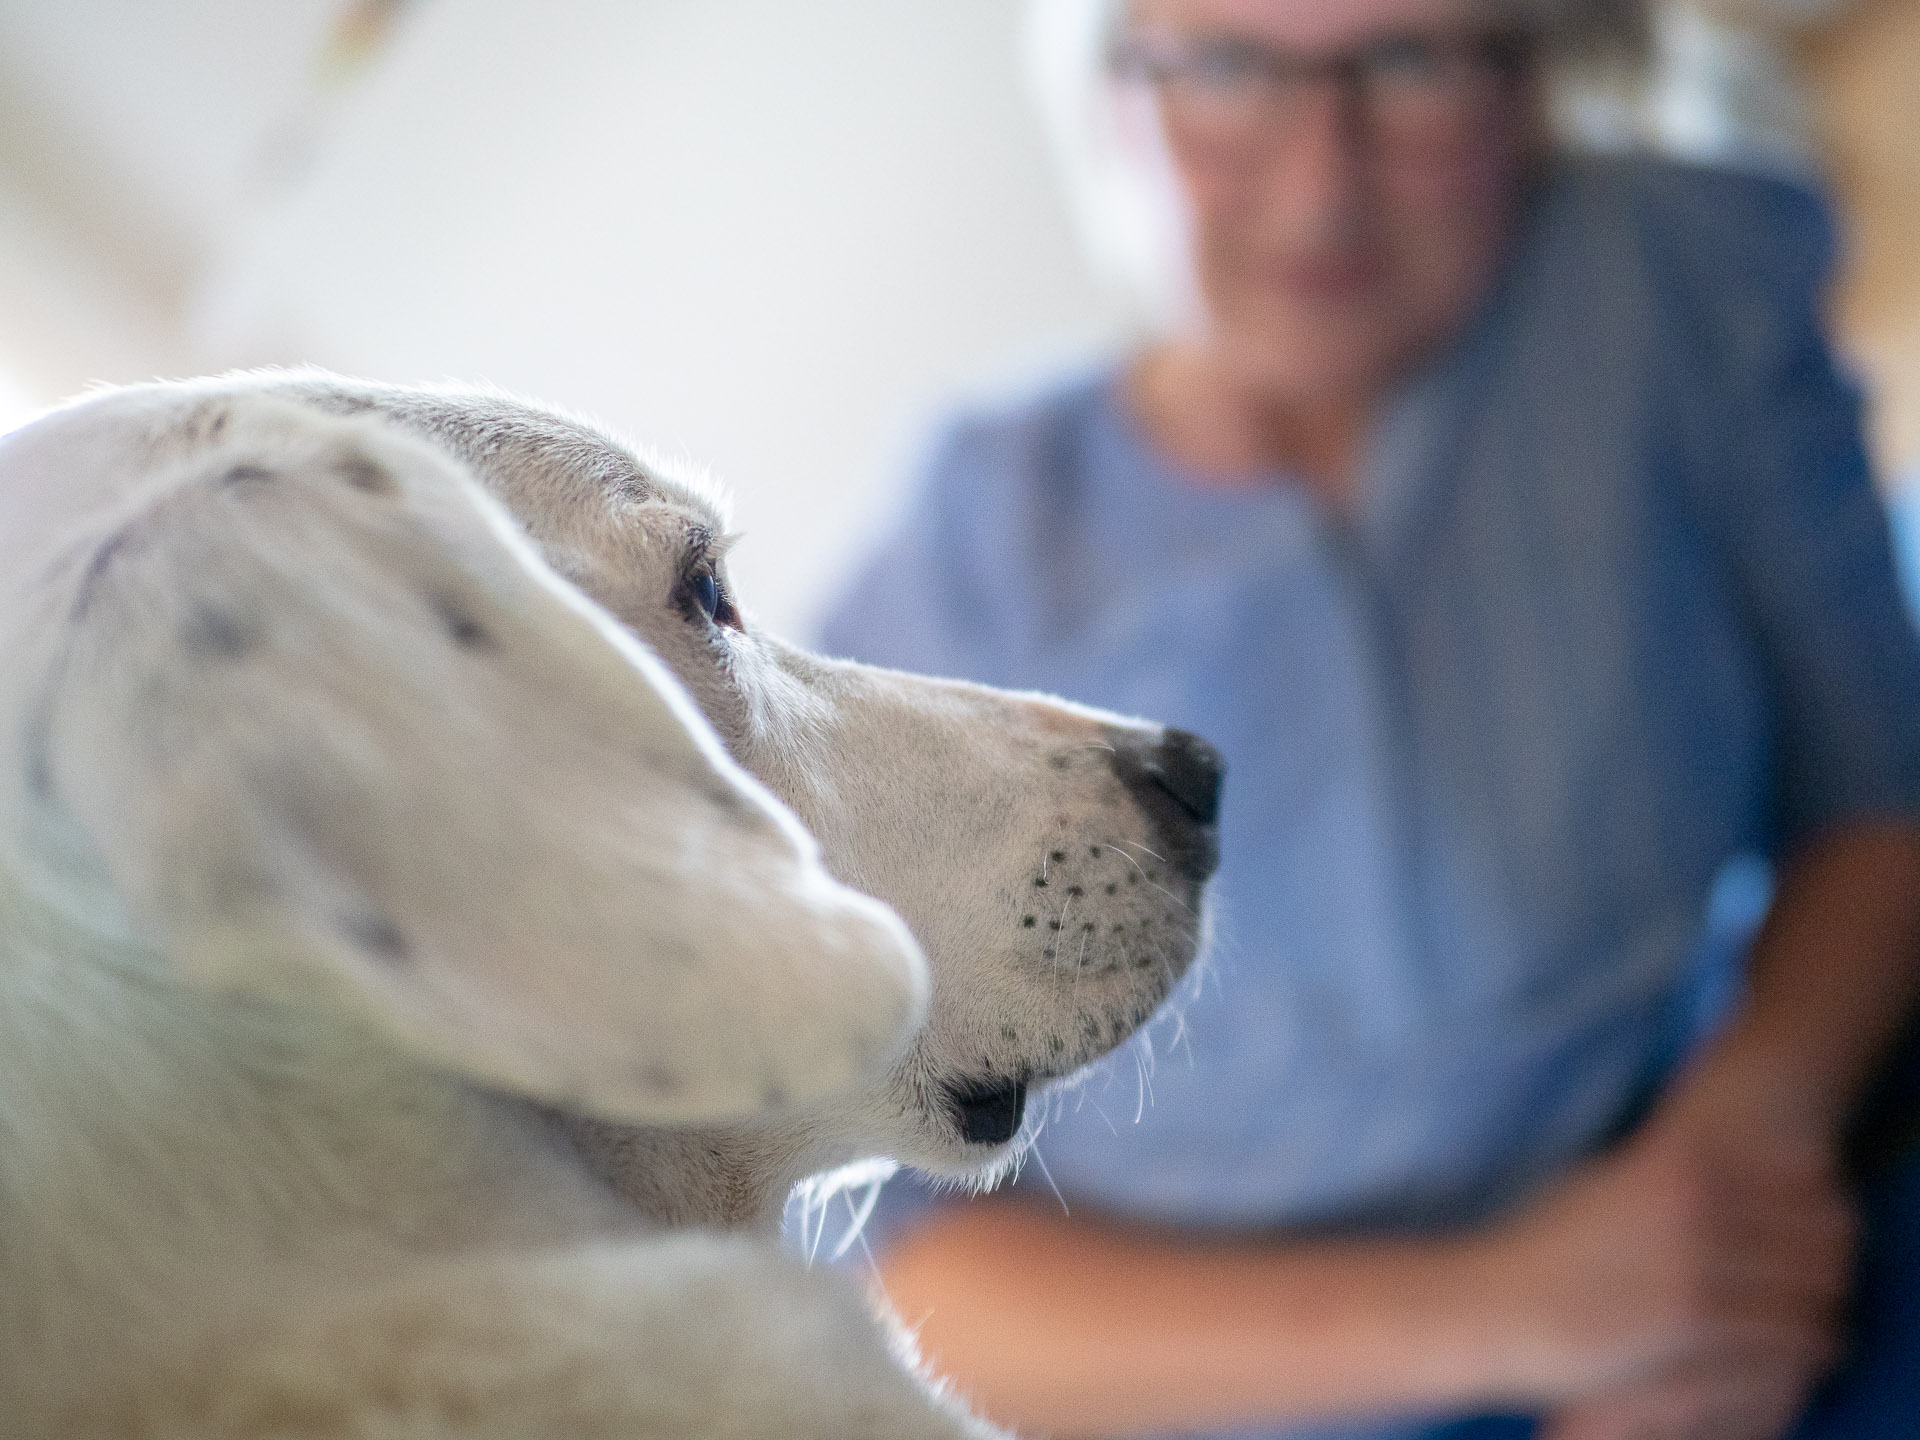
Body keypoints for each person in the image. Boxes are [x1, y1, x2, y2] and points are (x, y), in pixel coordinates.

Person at [814, 0, 1920, 1437]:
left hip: (1695, 1191)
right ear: (1107, 98)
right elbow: (880, 1264)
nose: (1321, 181)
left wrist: (1720, 1222)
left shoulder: (1667, 282)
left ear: (1534, 78)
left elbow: (1879, 805)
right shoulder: (957, 569)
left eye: (1415, 64)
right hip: (1239, 1386)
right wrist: (1531, 1309)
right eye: (1223, 68)